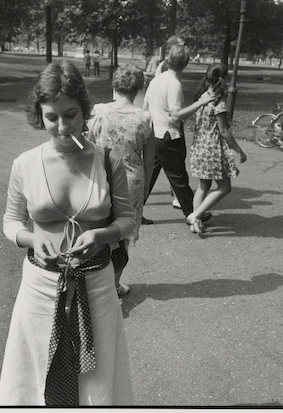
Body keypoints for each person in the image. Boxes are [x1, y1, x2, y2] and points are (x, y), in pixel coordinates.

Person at [0, 61, 134, 406]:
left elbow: (128, 220)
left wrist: (102, 236)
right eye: (51, 117)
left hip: (97, 285)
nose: (61, 126)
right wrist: (32, 239)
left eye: (70, 115)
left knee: (97, 378)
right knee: (34, 373)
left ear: (85, 111)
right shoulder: (24, 165)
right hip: (40, 286)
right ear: (39, 115)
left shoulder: (107, 161)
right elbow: (11, 222)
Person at [87, 63, 154, 296]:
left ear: (114, 86)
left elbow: (88, 146)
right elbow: (149, 160)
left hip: (102, 177)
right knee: (122, 233)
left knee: (97, 227)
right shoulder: (145, 118)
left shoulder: (99, 112)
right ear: (138, 89)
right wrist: (145, 190)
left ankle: (93, 279)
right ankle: (114, 283)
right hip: (131, 181)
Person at [142, 43, 215, 226]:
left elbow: (145, 106)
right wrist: (201, 102)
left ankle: (133, 212)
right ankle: (193, 213)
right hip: (168, 136)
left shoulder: (157, 79)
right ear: (186, 63)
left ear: (168, 58)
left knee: (149, 177)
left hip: (154, 134)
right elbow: (176, 116)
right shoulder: (173, 84)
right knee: (179, 178)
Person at [186, 64, 247, 234]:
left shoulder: (203, 96)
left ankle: (195, 223)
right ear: (224, 79)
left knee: (203, 186)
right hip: (211, 148)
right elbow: (224, 131)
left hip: (199, 146)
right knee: (225, 187)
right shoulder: (218, 102)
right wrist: (239, 150)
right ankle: (196, 215)